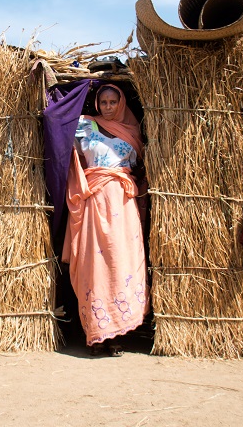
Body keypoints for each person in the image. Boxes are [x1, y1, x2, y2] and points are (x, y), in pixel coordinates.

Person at [61, 83, 150, 356]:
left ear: (121, 103)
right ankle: (96, 335)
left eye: (113, 102)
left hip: (123, 207)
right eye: (104, 102)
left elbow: (139, 170)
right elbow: (60, 134)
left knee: (122, 264)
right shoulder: (85, 126)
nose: (109, 107)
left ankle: (117, 335)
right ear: (97, 104)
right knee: (94, 267)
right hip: (94, 206)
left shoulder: (134, 134)